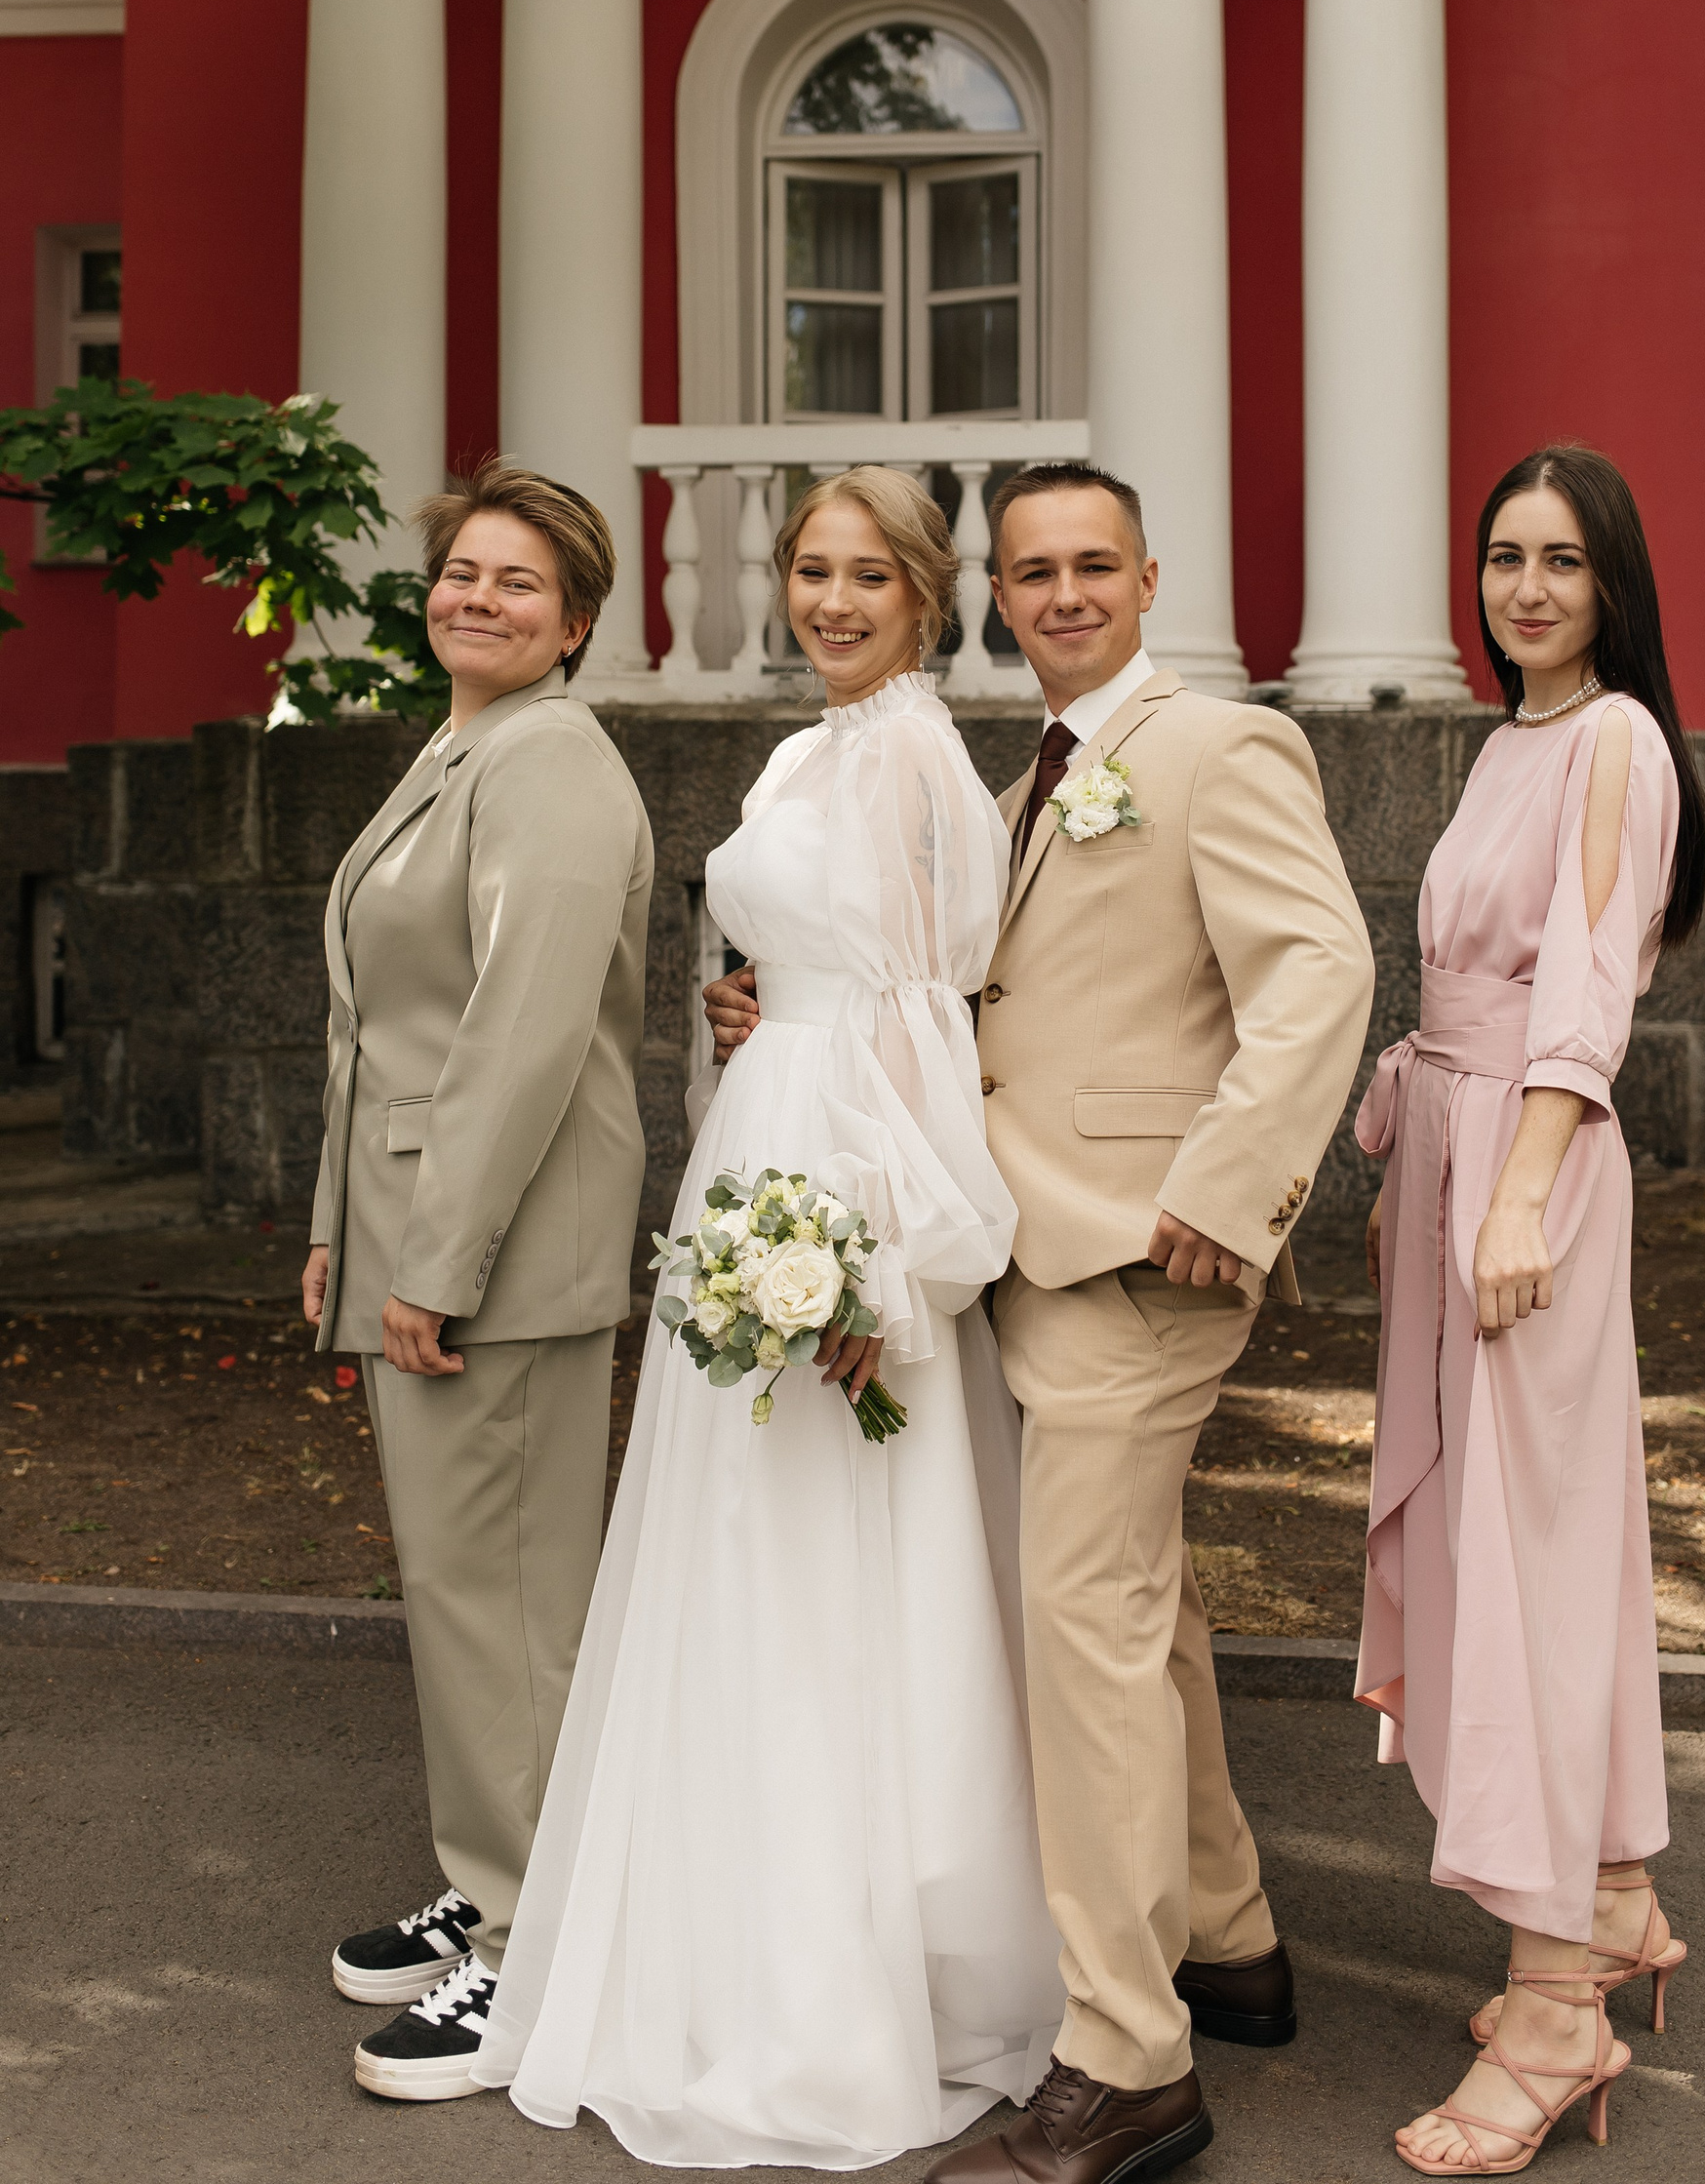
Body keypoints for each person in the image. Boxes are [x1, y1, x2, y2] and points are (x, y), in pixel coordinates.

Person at [712, 460, 1375, 2184]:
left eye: (1094, 564)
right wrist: (781, 1016)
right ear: (997, 599)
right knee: (1139, 1614)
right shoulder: (1022, 782)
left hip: (1149, 1252)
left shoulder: (1221, 746)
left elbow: (1320, 971)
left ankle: (1127, 2060)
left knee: (1082, 1635)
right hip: (1026, 1247)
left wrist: (1229, 1193)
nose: (1064, 593)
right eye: (1034, 572)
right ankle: (1228, 1941)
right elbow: (951, 1005)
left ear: (1150, 579)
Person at [473, 466, 1064, 2164]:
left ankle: (845, 1977)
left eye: (868, 575)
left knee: (834, 1557)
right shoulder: (808, 751)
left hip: (847, 1179)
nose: (832, 601)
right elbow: (818, 967)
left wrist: (886, 1264)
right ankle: (716, 1933)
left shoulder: (921, 759)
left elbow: (928, 1015)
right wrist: (756, 1007)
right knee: (732, 1542)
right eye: (812, 569)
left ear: (925, 595)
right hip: (764, 1136)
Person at [1356, 445, 1705, 2176]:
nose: (1528, 588)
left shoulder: (1617, 739)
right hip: (1456, 1151)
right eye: (1506, 556)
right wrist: (1414, 1173)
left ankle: (1560, 2009)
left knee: (1531, 1568)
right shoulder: (1510, 739)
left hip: (1530, 1166)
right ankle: (1616, 1896)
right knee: (1516, 1545)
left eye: (1564, 560)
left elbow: (1585, 986)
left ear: (1613, 581)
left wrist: (1510, 1194)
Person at [299, 460, 654, 2104]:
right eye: (462, 572)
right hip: (426, 1234)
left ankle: (533, 1951)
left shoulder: (553, 761)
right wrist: (340, 1224)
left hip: (500, 1257)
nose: (479, 599)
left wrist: (433, 1260)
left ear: (576, 622)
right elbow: (382, 1029)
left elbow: (519, 1037)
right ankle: (493, 1875)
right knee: (465, 1602)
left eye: (521, 582)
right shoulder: (462, 748)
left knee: (510, 1612)